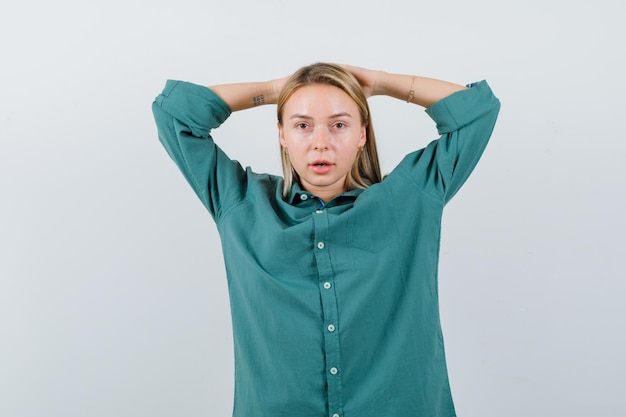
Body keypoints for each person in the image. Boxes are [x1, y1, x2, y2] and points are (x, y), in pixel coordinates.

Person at [152, 62, 500, 417]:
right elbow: (175, 114)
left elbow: (477, 111)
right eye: (302, 125)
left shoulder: (411, 197)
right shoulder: (240, 202)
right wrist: (274, 90)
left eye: (339, 125)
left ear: (362, 134)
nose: (321, 143)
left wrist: (380, 83)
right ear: (282, 135)